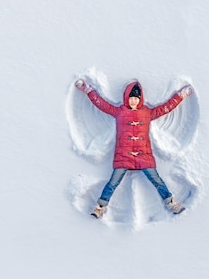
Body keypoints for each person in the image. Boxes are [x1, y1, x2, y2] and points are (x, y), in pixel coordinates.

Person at [75, 78, 194, 218]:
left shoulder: (147, 113)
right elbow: (101, 104)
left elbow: (166, 107)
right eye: (131, 98)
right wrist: (87, 90)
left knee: (157, 181)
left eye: (136, 98)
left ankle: (171, 203)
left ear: (140, 99)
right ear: (126, 98)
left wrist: (181, 95)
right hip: (123, 156)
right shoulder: (119, 112)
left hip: (144, 156)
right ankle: (100, 207)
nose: (133, 101)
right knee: (113, 183)